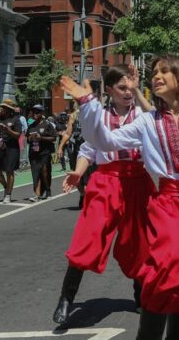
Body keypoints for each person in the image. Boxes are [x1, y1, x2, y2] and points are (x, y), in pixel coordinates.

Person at [59, 20, 179, 340]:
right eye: (153, 72)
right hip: (170, 204)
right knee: (167, 272)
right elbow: (103, 140)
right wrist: (87, 104)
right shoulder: (147, 122)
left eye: (163, 71)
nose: (155, 76)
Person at [52, 65, 156, 325]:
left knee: (140, 243)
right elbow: (88, 150)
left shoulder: (143, 115)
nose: (127, 92)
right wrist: (77, 172)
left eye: (130, 86)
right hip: (106, 181)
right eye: (121, 87)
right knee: (86, 240)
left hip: (137, 182)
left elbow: (158, 124)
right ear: (109, 90)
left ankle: (141, 297)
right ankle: (66, 298)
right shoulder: (98, 117)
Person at [0, 99, 23, 204]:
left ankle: (8, 194)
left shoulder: (15, 119)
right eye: (2, 107)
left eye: (4, 108)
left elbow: (18, 135)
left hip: (12, 148)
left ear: (9, 109)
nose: (2, 109)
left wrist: (7, 129)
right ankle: (6, 187)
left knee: (9, 171)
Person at [27, 104, 57, 201]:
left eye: (37, 112)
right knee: (35, 173)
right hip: (33, 153)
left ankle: (48, 191)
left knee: (45, 172)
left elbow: (54, 137)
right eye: (33, 112)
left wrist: (41, 138)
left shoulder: (47, 124)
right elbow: (27, 138)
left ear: (42, 113)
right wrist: (30, 138)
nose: (35, 114)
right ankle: (37, 194)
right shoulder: (31, 126)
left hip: (44, 152)